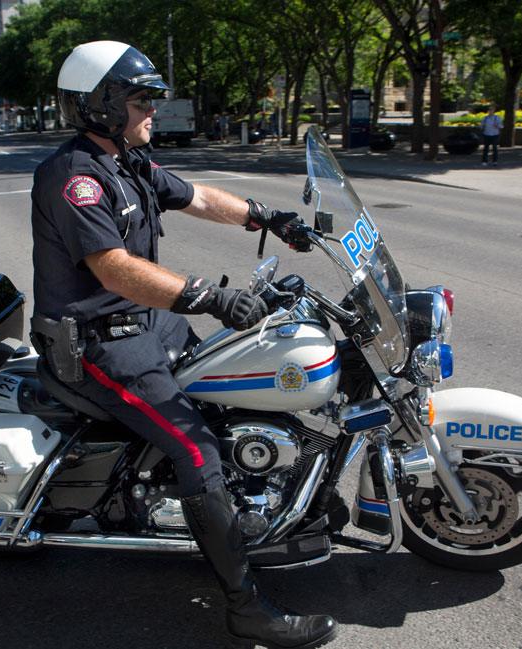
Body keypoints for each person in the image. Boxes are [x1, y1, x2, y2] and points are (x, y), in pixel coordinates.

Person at [31, 40, 336, 649]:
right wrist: (210, 296)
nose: (151, 111)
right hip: (100, 344)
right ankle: (245, 608)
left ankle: (275, 506)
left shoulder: (128, 161)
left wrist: (265, 215)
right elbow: (113, 268)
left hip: (147, 325)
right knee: (197, 451)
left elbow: (196, 197)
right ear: (101, 104)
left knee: (231, 382)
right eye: (140, 99)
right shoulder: (76, 177)